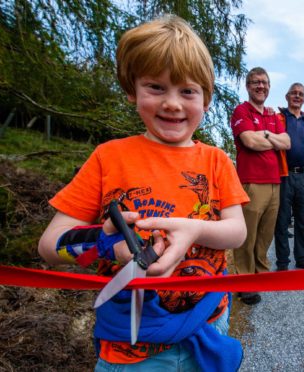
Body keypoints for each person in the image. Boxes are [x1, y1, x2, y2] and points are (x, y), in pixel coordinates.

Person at [37, 15, 248, 371]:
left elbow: (237, 231)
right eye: (155, 87)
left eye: (187, 91)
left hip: (207, 324)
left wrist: (195, 229)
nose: (172, 103)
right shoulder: (108, 158)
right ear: (132, 90)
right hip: (129, 345)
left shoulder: (216, 161)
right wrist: (107, 244)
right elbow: (50, 246)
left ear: (206, 100)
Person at [230, 67, 291, 304]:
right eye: (255, 82)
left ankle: (261, 274)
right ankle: (244, 281)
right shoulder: (241, 110)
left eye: (264, 82)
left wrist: (264, 134)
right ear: (248, 86)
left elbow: (286, 143)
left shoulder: (272, 114)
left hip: (275, 182)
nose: (261, 86)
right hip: (252, 182)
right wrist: (269, 138)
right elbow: (249, 141)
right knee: (248, 234)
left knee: (265, 234)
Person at [274, 83, 304, 271]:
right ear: (287, 96)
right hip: (284, 175)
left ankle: (302, 258)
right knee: (282, 221)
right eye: (294, 93)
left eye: (301, 94)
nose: (297, 96)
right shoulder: (278, 118)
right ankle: (283, 263)